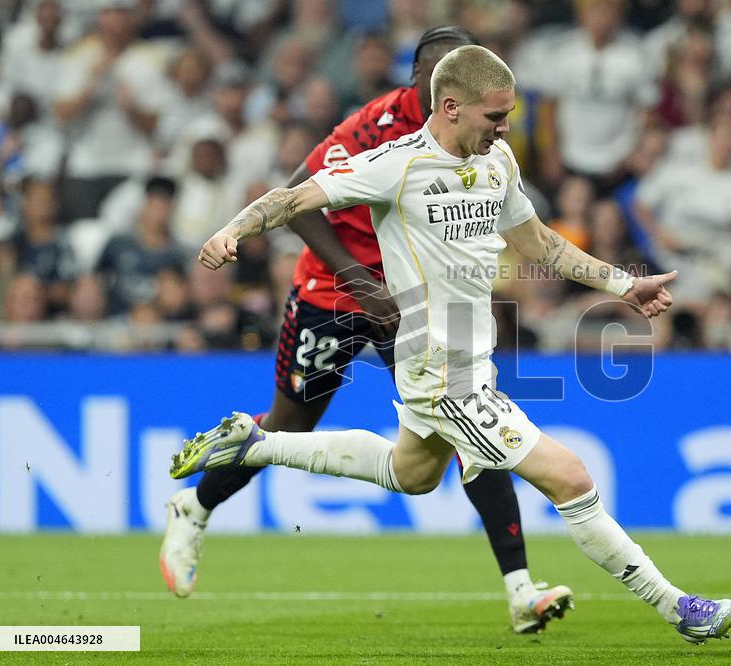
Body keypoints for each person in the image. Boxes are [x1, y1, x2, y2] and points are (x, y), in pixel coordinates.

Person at [172, 44, 731, 644]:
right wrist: (232, 230)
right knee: (570, 477)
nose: (505, 127)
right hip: (439, 374)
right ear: (450, 106)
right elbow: (296, 196)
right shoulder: (397, 164)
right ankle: (679, 609)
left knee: (410, 473)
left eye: (508, 115)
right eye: (494, 117)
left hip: (475, 362)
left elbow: (540, 244)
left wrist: (624, 283)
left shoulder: (498, 163)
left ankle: (257, 444)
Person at [160, 28, 574, 635]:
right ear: (423, 86)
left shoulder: (478, 139)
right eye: (436, 81)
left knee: (471, 428)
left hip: (411, 301)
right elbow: (297, 196)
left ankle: (519, 590)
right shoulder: (376, 125)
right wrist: (357, 279)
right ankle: (194, 506)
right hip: (334, 288)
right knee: (292, 422)